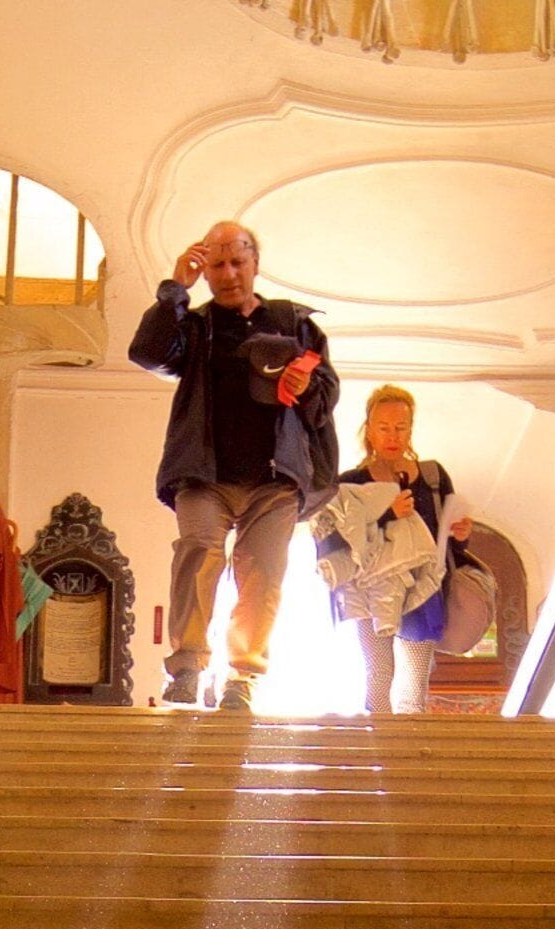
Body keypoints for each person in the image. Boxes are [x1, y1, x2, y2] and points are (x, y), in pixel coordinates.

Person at [128, 220, 337, 711]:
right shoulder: (195, 325)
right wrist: (174, 290)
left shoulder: (295, 324)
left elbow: (326, 396)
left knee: (263, 573)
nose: (228, 274)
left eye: (237, 262)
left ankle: (243, 678)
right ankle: (187, 667)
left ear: (255, 263)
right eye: (217, 264)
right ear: (205, 271)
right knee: (198, 553)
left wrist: (306, 386)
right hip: (204, 474)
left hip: (276, 478)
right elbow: (148, 354)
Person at [329, 385, 493, 716]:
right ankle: (379, 739)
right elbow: (341, 541)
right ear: (369, 431)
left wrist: (461, 534)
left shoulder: (433, 476)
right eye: (384, 428)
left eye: (400, 427)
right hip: (372, 590)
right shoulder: (352, 482)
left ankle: (409, 742)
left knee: (415, 683)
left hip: (423, 587)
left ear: (410, 430)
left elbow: (447, 539)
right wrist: (387, 513)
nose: (393, 436)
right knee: (379, 673)